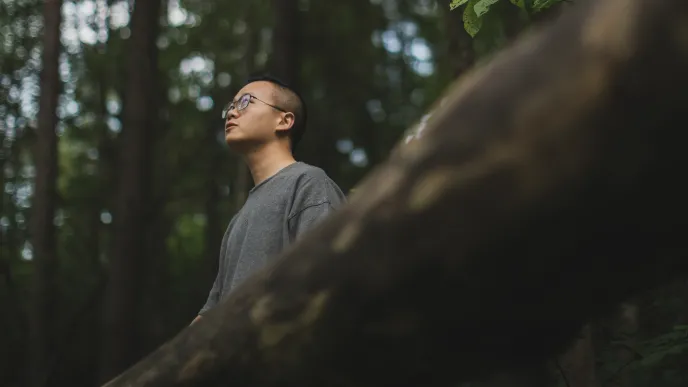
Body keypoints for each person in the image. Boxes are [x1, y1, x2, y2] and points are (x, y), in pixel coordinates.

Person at [192, 75, 346, 324]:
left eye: (245, 102)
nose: (232, 112)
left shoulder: (309, 184)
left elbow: (326, 279)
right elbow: (209, 315)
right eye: (230, 106)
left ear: (284, 120)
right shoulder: (238, 219)